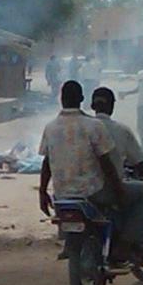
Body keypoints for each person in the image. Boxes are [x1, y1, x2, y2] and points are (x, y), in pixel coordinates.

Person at [35, 80, 129, 258]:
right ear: (81, 99)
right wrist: (118, 188)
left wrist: (42, 191)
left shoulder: (50, 128)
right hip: (92, 192)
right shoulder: (94, 126)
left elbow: (46, 163)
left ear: (61, 99)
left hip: (61, 194)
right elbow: (106, 162)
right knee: (133, 196)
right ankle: (122, 246)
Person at [88, 86, 143, 255]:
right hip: (105, 189)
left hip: (81, 187)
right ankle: (128, 244)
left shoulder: (83, 127)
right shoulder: (121, 130)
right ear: (112, 106)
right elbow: (140, 163)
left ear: (92, 106)